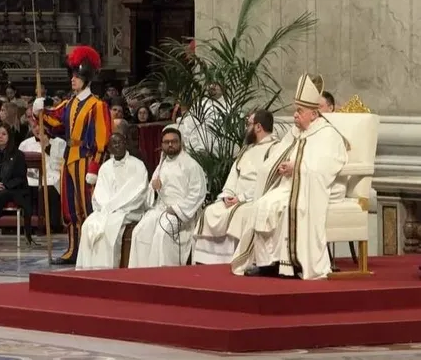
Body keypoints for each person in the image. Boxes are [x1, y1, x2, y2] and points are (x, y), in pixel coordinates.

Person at [231, 75, 349, 280]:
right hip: (290, 184)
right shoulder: (297, 130)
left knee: (285, 207)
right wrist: (281, 166)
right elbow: (279, 155)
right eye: (296, 110)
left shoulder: (328, 134)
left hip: (314, 186)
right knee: (262, 204)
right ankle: (267, 263)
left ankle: (291, 264)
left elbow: (327, 165)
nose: (295, 115)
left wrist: (297, 167)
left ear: (313, 114)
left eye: (299, 111)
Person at [32, 45, 111, 264]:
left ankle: (91, 250)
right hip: (69, 158)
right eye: (72, 76)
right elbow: (54, 122)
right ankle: (73, 250)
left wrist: (95, 167)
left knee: (87, 206)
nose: (72, 80)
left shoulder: (97, 106)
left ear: (86, 79)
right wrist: (39, 110)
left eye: (77, 76)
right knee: (70, 208)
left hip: (86, 158)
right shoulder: (69, 104)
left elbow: (102, 140)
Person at [192, 110, 278, 265]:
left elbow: (267, 181)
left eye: (248, 124)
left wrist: (241, 198)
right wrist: (227, 194)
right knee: (211, 211)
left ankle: (233, 261)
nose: (246, 128)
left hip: (254, 199)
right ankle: (208, 263)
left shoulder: (274, 149)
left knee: (240, 214)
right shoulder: (247, 149)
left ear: (258, 127)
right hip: (235, 198)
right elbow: (234, 175)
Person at [128, 126, 207, 268]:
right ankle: (142, 274)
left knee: (162, 233)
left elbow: (198, 193)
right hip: (160, 208)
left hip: (181, 212)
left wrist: (177, 209)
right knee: (139, 232)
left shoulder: (191, 165)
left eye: (174, 141)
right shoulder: (161, 164)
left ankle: (164, 274)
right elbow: (151, 191)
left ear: (180, 143)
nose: (170, 145)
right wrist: (154, 188)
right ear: (162, 144)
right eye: (166, 142)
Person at [76, 133, 148, 269]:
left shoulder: (137, 165)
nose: (117, 145)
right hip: (106, 209)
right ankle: (88, 270)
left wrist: (115, 207)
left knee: (110, 228)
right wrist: (106, 207)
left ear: (125, 144)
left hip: (129, 209)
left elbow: (138, 191)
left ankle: (106, 270)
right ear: (109, 148)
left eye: (120, 142)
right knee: (87, 225)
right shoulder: (105, 167)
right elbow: (100, 191)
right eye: (114, 144)